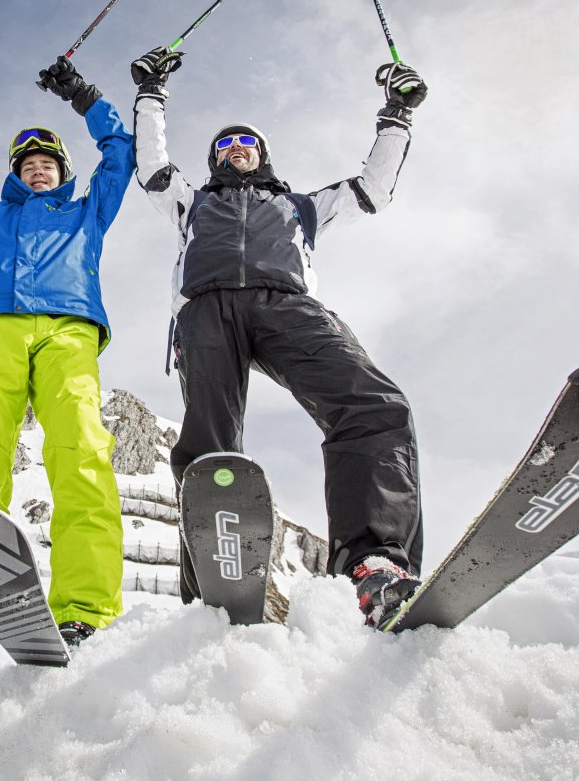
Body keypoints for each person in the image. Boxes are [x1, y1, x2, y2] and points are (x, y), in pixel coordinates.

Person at [130, 47, 429, 627]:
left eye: (246, 144)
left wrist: (396, 114)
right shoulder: (191, 202)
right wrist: (150, 93)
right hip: (207, 307)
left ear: (262, 155)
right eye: (224, 146)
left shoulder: (301, 206)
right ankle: (211, 590)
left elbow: (374, 189)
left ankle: (375, 567)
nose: (236, 150)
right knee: (210, 443)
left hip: (287, 304)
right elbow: (151, 166)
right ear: (216, 160)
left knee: (373, 404)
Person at [0, 30, 133, 664]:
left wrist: (86, 97)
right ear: (14, 175)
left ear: (63, 173)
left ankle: (85, 612)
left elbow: (119, 151)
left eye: (48, 163)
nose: (37, 168)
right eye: (26, 164)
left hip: (69, 330)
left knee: (81, 454)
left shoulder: (88, 211)